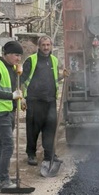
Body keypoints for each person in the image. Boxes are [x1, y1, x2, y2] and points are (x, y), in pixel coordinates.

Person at [22, 36, 66, 166]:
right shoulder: (31, 60)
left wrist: (62, 76)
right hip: (34, 101)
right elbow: (21, 79)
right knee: (33, 130)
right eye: (43, 45)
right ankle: (31, 154)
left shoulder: (54, 60)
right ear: (39, 46)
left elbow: (53, 78)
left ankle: (49, 154)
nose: (46, 47)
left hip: (50, 101)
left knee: (50, 129)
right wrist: (21, 98)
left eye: (48, 45)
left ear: (51, 46)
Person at [0, 40, 23, 190]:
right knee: (8, 144)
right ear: (6, 54)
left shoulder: (12, 68)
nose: (18, 58)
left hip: (9, 111)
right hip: (0, 113)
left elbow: (14, 89)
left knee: (2, 144)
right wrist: (11, 96)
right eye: (16, 55)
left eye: (20, 55)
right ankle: (4, 179)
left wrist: (20, 99)